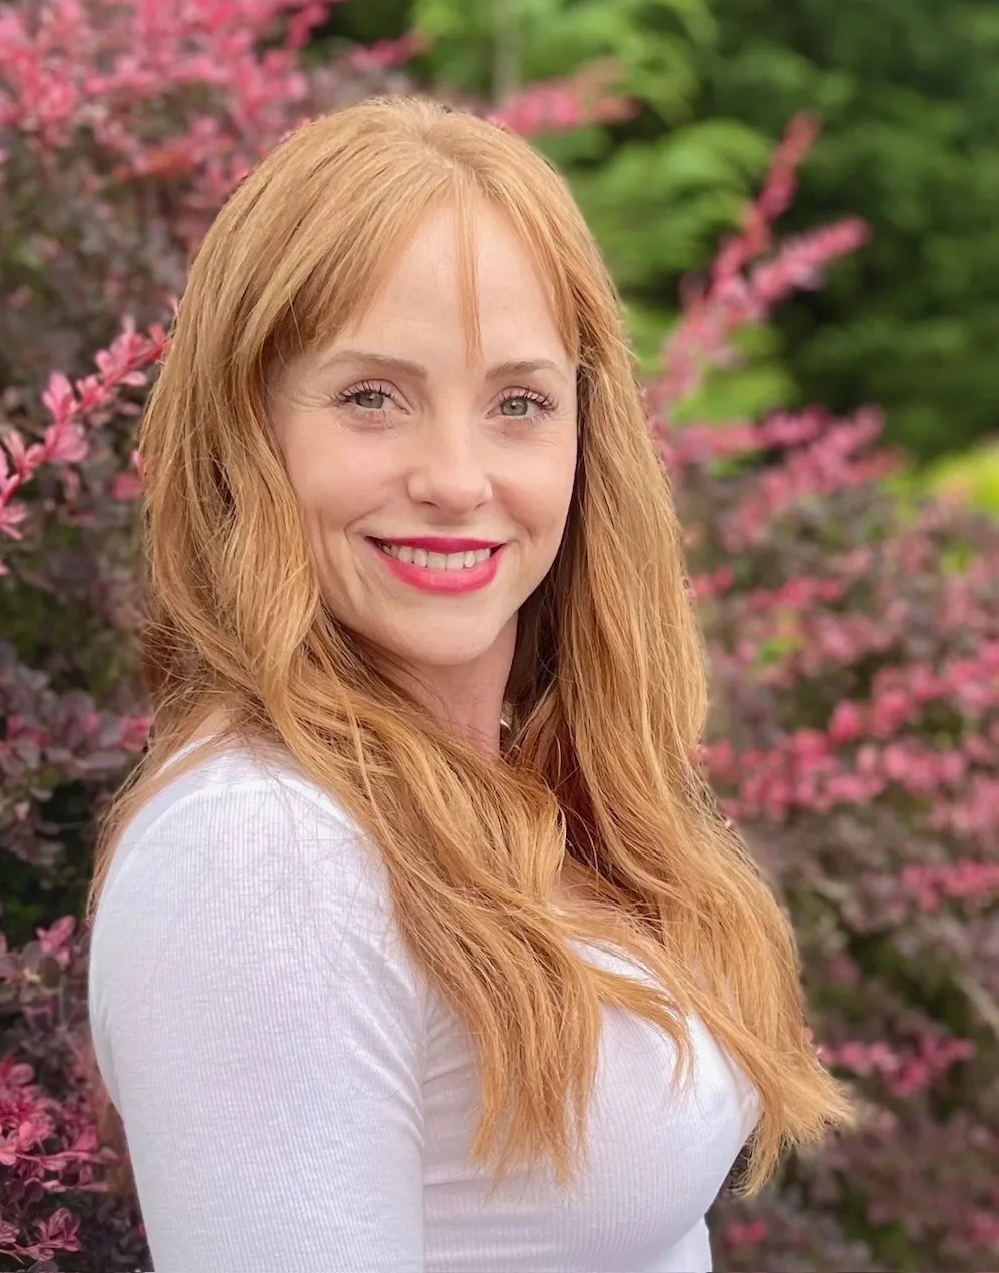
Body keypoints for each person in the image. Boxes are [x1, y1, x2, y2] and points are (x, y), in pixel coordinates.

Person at [86, 95, 853, 1273]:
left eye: (517, 403)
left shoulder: (536, 792)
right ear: (247, 432)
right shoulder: (261, 854)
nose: (455, 478)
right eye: (371, 397)